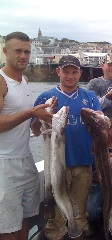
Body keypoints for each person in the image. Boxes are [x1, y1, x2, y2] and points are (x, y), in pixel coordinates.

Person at [31, 55, 102, 240]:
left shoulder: (90, 97)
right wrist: (41, 119)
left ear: (80, 73)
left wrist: (102, 120)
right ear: (58, 72)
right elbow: (36, 131)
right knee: (56, 218)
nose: (70, 76)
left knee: (80, 214)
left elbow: (101, 125)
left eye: (74, 72)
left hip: (84, 164)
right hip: (56, 167)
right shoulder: (45, 97)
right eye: (66, 72)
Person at [0, 31, 52, 240]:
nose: (23, 55)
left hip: (26, 158)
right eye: (18, 51)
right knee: (7, 226)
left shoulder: (24, 81)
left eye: (27, 52)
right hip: (5, 163)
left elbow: (30, 128)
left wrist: (40, 120)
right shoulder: (1, 82)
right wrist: (31, 113)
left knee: (25, 218)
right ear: (5, 51)